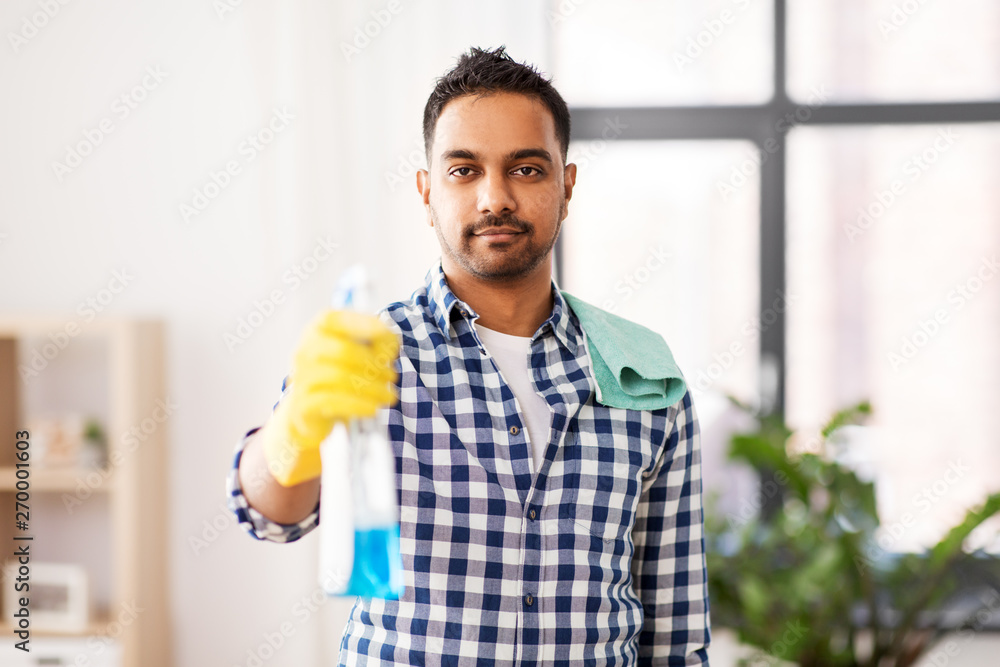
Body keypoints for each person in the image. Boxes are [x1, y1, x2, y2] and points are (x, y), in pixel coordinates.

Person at [226, 45, 710, 666]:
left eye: (527, 169)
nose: (494, 198)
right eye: (464, 170)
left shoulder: (642, 375)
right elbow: (271, 514)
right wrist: (295, 429)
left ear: (567, 187)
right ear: (427, 193)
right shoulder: (365, 354)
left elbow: (675, 626)